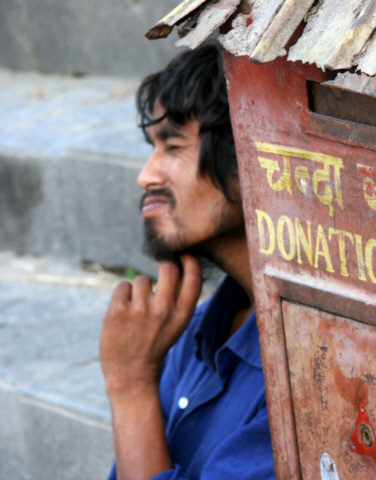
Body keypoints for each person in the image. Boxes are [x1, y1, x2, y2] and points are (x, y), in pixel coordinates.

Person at [99, 42, 274, 480]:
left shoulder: (305, 362)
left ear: (250, 152)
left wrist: (131, 385)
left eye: (172, 146)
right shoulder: (194, 333)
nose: (146, 175)